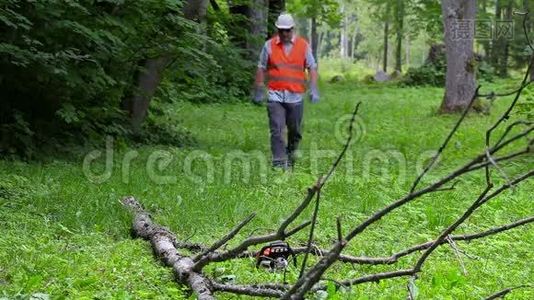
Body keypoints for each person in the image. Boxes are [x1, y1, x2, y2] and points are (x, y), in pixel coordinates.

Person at [253, 13, 319, 169]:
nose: (284, 34)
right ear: (277, 29)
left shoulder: (303, 46)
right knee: (277, 128)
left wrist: (314, 88)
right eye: (281, 30)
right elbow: (261, 67)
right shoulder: (269, 45)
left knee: (295, 131)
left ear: (293, 29)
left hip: (295, 97)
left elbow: (312, 67)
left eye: (287, 30)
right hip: (275, 96)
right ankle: (279, 162)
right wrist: (259, 88)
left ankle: (291, 154)